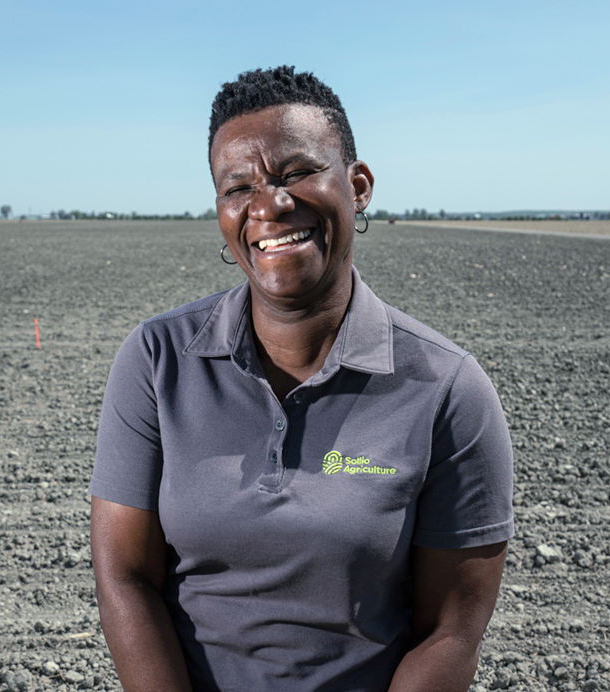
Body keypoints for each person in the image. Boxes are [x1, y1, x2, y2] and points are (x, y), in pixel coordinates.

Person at [88, 65, 514, 692]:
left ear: (358, 185)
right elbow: (125, 576)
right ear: (221, 211)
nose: (269, 205)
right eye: (240, 187)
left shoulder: (447, 390)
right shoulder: (158, 360)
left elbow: (448, 632)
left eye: (296, 173)